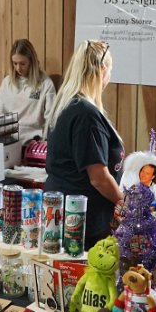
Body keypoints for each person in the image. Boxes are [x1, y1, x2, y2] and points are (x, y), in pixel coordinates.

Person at [44, 40, 124, 249]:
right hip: (81, 222)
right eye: (110, 71)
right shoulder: (86, 115)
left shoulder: (67, 106)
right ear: (102, 69)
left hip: (64, 213)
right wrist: (126, 206)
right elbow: (99, 178)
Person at [0, 39, 56, 143]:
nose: (18, 68)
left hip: (33, 141)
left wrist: (45, 140)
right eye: (15, 63)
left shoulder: (45, 84)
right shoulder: (7, 83)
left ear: (31, 61)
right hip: (8, 140)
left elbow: (51, 118)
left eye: (22, 63)